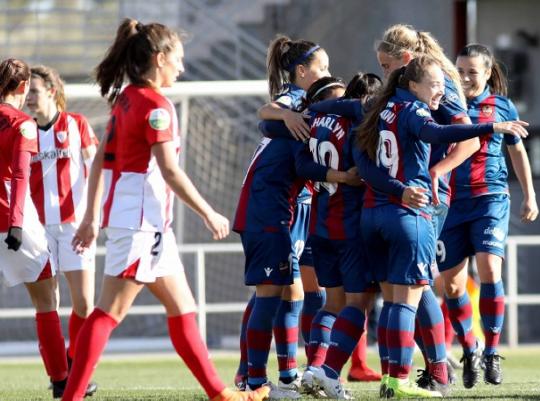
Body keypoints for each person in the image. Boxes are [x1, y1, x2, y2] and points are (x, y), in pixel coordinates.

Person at [62, 19, 269, 401]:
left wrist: (93, 217)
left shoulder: (125, 100)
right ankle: (70, 396)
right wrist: (209, 211)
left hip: (148, 225)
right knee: (109, 312)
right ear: (159, 59)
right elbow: (170, 171)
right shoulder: (156, 106)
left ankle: (220, 394)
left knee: (183, 308)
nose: (183, 67)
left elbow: (99, 163)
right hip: (141, 224)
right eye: (179, 59)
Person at [355, 55, 529, 399]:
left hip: (373, 215)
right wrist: (489, 127)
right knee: (408, 303)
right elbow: (436, 132)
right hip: (409, 215)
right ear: (413, 85)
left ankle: (391, 380)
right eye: (436, 84)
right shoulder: (413, 110)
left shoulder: (379, 109)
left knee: (391, 304)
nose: (444, 90)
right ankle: (402, 379)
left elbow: (363, 163)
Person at [234, 73, 361, 399]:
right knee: (268, 297)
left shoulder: (297, 125)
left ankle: (279, 377)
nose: (340, 108)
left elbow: (269, 125)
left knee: (286, 295)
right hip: (267, 218)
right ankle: (255, 382)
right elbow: (306, 167)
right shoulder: (300, 128)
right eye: (335, 100)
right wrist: (343, 177)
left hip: (273, 217)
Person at [375, 23, 482, 389]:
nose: (385, 74)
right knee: (401, 290)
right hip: (401, 197)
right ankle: (421, 370)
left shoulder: (440, 87)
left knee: (416, 287)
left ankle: (439, 367)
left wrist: (436, 171)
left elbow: (467, 141)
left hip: (428, 197)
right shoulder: (402, 97)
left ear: (405, 60)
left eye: (386, 66)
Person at [437, 43, 539, 387]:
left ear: (487, 72)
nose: (464, 77)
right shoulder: (446, 103)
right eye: (460, 70)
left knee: (489, 268)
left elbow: (518, 152)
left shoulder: (501, 106)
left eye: (472, 71)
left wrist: (530, 195)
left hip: (490, 198)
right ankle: (470, 349)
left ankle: (492, 352)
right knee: (451, 284)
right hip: (452, 203)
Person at [235, 34, 331, 394]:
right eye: (322, 68)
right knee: (270, 291)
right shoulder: (296, 99)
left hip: (296, 207)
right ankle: (251, 375)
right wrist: (285, 113)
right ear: (302, 71)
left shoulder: (314, 104)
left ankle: (291, 372)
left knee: (298, 291)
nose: (328, 73)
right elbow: (266, 113)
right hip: (270, 210)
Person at [0, 57, 84, 399]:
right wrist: (17, 225)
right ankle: (61, 380)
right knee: (46, 298)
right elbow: (20, 175)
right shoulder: (22, 123)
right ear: (21, 88)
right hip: (11, 219)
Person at [26, 66, 99, 382]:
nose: (28, 98)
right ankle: (61, 376)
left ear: (51, 92)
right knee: (48, 302)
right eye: (26, 92)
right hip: (38, 230)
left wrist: (93, 218)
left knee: (84, 303)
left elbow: (97, 170)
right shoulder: (23, 131)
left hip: (75, 228)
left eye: (34, 91)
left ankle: (73, 361)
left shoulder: (77, 125)